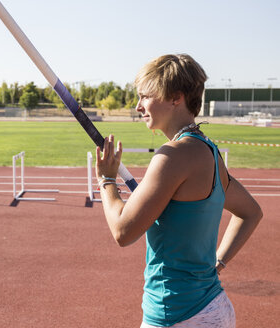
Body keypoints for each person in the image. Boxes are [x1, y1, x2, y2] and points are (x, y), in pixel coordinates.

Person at [95, 54, 263, 328]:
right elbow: (251, 213)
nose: (138, 106)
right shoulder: (210, 153)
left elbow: (123, 232)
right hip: (215, 309)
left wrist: (106, 181)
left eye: (145, 96)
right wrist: (217, 264)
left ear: (175, 97)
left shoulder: (171, 157)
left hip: (176, 314)